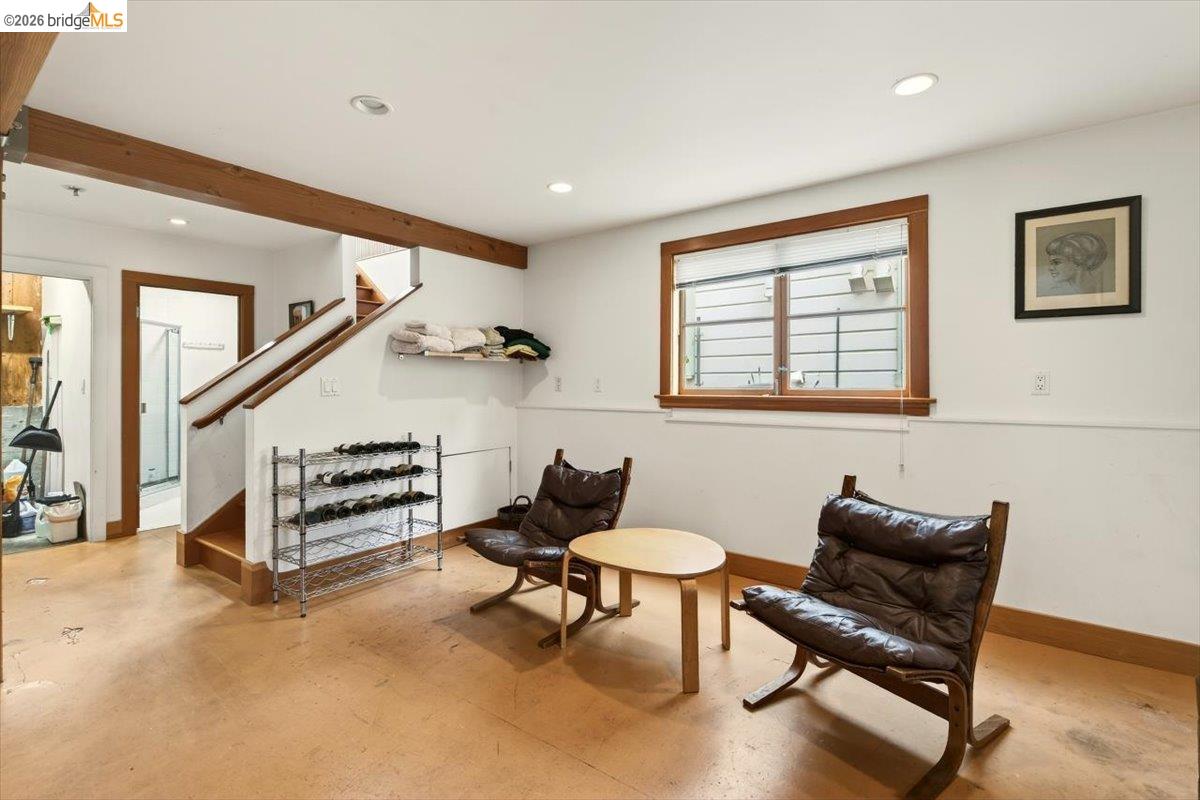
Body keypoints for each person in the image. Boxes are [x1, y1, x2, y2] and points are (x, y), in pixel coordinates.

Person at [1043, 232, 1108, 294]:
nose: (1050, 268)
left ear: (1078, 261)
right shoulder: (1054, 291)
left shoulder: (1101, 289)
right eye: (1051, 263)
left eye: (1057, 262)